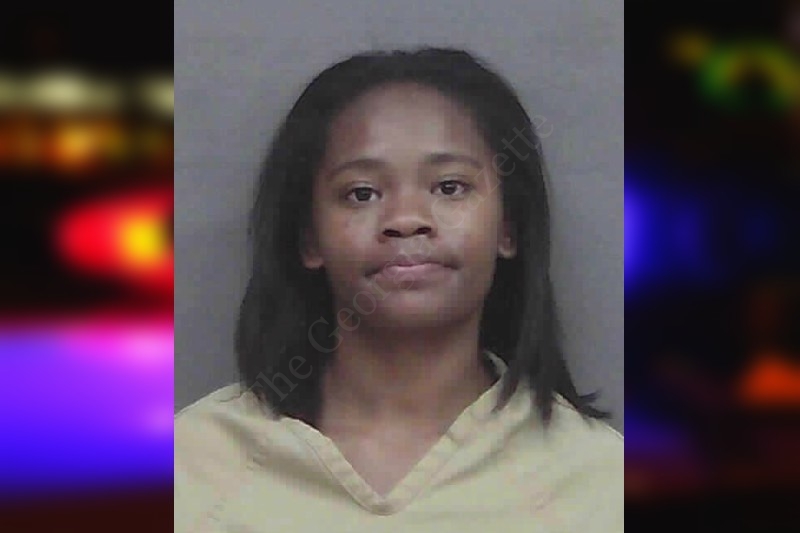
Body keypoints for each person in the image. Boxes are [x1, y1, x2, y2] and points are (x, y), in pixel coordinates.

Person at [175, 47, 623, 532]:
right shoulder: (193, 468)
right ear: (309, 239)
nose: (407, 219)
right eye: (361, 193)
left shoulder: (597, 482)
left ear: (508, 227)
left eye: (450, 187)